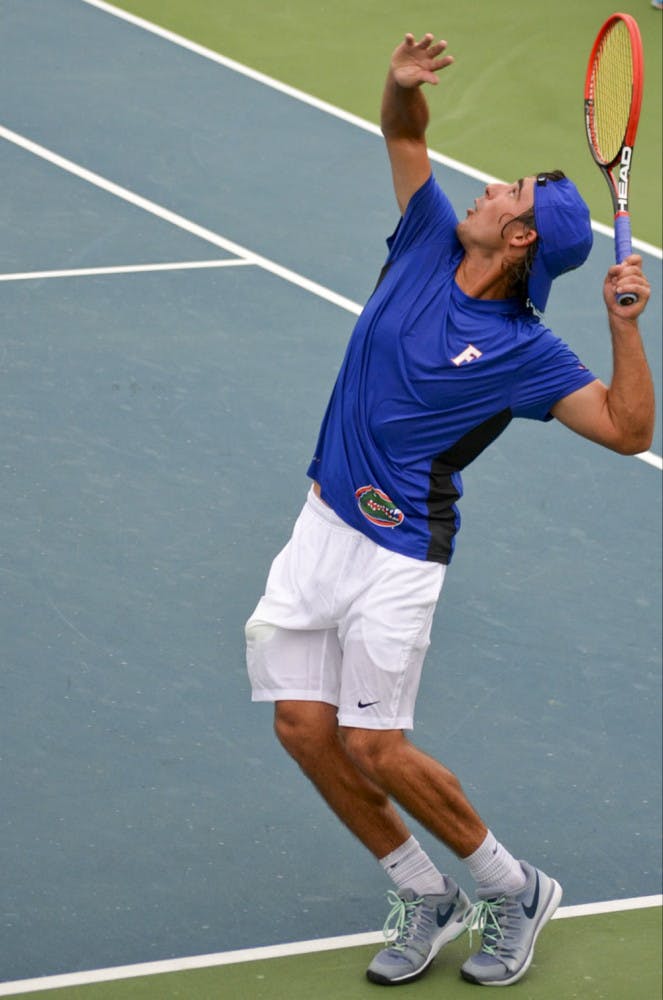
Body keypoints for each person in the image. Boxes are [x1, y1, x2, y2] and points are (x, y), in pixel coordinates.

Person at [245, 32, 654, 988]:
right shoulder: (427, 233)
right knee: (304, 730)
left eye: (504, 194)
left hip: (397, 551)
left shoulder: (527, 350)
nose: (483, 191)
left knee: (374, 745)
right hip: (320, 528)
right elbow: (403, 135)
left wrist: (624, 331)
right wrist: (398, 86)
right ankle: (424, 895)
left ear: (518, 241)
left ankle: (513, 889)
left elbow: (628, 430)